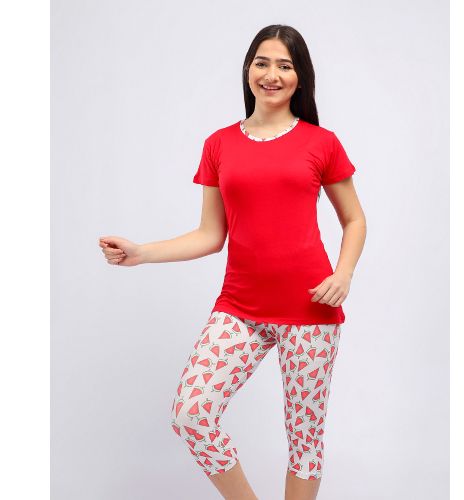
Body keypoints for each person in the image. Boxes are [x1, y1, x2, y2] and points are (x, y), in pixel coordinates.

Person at [99, 24, 366, 500]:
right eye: (262, 63)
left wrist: (343, 274)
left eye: (284, 65)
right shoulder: (220, 144)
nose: (271, 74)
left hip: (311, 308)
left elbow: (354, 219)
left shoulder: (321, 143)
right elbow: (210, 234)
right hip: (240, 308)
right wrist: (141, 253)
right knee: (191, 413)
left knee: (304, 439)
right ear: (248, 70)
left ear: (300, 78)